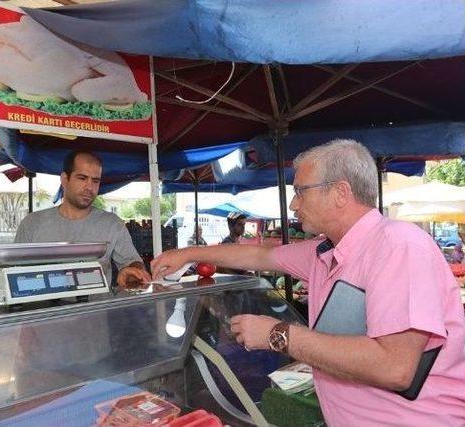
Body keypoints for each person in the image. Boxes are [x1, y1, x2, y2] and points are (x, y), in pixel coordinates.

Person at [151, 140, 465, 425]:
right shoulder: (324, 251)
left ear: (341, 193)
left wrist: (277, 334)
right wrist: (187, 253)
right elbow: (259, 256)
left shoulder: (399, 245)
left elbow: (395, 368)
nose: (293, 205)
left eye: (301, 191)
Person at [15, 150, 151, 288]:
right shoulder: (32, 223)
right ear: (64, 179)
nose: (89, 187)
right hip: (43, 308)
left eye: (95, 181)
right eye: (82, 178)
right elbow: (15, 271)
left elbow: (132, 262)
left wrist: (134, 271)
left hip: (96, 307)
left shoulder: (112, 224)